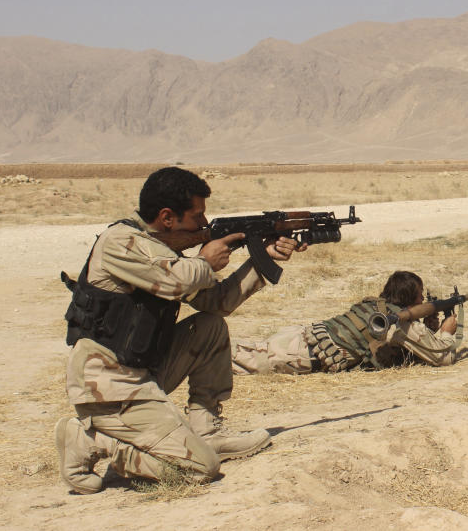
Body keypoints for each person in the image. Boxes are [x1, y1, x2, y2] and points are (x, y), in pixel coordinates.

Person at [55, 167, 305, 494]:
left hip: (144, 369)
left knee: (209, 326)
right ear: (167, 218)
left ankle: (208, 430)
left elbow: (216, 302)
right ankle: (98, 442)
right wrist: (205, 260)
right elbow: (176, 279)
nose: (205, 224)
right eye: (198, 216)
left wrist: (263, 259)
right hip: (109, 383)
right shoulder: (120, 242)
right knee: (201, 468)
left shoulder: (166, 251)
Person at [231, 271, 465, 375]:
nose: (423, 300)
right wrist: (446, 332)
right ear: (410, 299)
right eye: (420, 295)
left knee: (243, 349)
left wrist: (429, 329)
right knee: (230, 359)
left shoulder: (375, 305)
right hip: (302, 354)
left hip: (302, 336)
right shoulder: (399, 323)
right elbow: (443, 358)